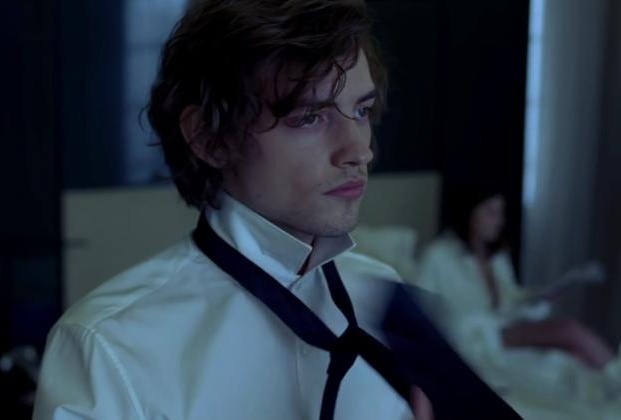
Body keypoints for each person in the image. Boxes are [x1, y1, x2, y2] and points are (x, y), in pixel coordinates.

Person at [34, 1, 519, 419]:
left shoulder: (390, 307)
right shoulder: (108, 348)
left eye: (362, 111)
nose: (360, 150)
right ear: (209, 138)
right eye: (309, 117)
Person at [414, 184, 621, 417]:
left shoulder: (497, 257)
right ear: (470, 213)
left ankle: (612, 386)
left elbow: (511, 299)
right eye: (491, 212)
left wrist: (541, 297)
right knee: (568, 329)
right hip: (474, 337)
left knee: (576, 358)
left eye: (501, 213)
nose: (499, 221)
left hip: (505, 328)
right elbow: (420, 313)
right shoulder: (438, 256)